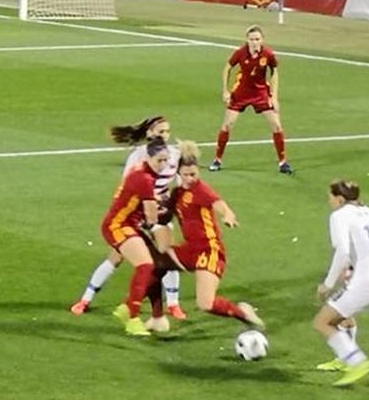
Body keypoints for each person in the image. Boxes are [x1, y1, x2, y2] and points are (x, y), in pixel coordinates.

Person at [72, 116, 184, 319]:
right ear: (150, 133)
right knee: (115, 258)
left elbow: (177, 182)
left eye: (167, 131)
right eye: (160, 131)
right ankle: (85, 299)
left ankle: (173, 304)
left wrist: (169, 200)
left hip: (158, 213)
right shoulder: (138, 157)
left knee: (167, 256)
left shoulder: (174, 154)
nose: (165, 135)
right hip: (136, 214)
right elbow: (128, 187)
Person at [147, 142, 264, 332]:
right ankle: (157, 317)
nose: (191, 178)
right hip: (190, 250)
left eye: (194, 174)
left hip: (209, 251)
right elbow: (164, 217)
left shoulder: (200, 190)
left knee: (205, 303)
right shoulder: (177, 194)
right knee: (154, 266)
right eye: (186, 175)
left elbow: (219, 203)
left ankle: (242, 312)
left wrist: (228, 215)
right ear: (179, 174)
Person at [312, 180, 369, 387]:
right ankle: (344, 359)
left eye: (329, 197)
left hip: (367, 282)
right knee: (344, 314)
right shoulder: (368, 211)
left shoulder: (339, 216)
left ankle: (357, 362)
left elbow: (343, 251)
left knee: (322, 322)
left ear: (339, 199)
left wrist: (328, 284)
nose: (328, 201)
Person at [99, 138, 168, 336]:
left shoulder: (143, 173)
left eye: (165, 160)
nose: (162, 165)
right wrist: (165, 211)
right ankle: (133, 318)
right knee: (145, 265)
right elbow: (151, 217)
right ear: (149, 157)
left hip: (126, 224)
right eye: (159, 160)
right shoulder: (145, 179)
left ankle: (132, 309)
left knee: (158, 266)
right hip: (117, 226)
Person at [210, 26, 291, 174]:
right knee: (227, 125)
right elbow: (227, 67)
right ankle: (217, 159)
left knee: (277, 126)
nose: (254, 42)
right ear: (247, 40)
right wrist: (225, 90)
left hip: (260, 92)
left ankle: (283, 162)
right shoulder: (240, 53)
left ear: (262, 40)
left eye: (257, 39)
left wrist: (274, 96)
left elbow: (274, 72)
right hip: (241, 92)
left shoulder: (268, 54)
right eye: (252, 39)